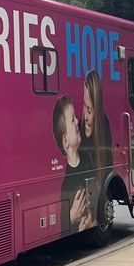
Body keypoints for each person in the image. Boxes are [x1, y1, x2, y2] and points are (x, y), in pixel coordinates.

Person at [53, 93, 96, 235]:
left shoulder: (87, 157)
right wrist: (71, 218)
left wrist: (92, 220)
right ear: (65, 141)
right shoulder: (66, 183)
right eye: (72, 120)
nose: (78, 121)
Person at [80, 70, 113, 181]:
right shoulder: (79, 128)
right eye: (84, 106)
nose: (85, 117)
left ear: (97, 112)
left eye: (89, 111)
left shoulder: (104, 126)